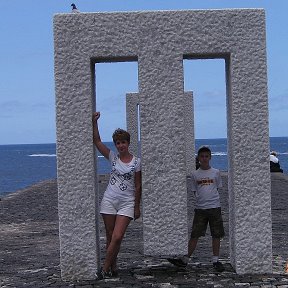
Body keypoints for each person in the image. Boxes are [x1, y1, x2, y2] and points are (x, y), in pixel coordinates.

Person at [92, 112, 142, 280]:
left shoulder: (137, 162)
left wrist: (136, 206)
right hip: (109, 200)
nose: (121, 145)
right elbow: (98, 142)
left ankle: (104, 268)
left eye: (123, 142)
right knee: (109, 234)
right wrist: (94, 123)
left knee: (118, 236)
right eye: (118, 143)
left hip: (127, 202)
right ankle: (113, 266)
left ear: (128, 143)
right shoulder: (113, 157)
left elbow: (138, 184)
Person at [168, 146, 225, 272]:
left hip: (215, 207)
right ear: (198, 158)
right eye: (202, 156)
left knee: (216, 234)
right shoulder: (194, 174)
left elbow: (217, 187)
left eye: (206, 156)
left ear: (210, 157)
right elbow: (194, 191)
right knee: (195, 234)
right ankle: (185, 259)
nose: (204, 159)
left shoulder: (216, 172)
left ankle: (216, 260)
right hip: (200, 208)